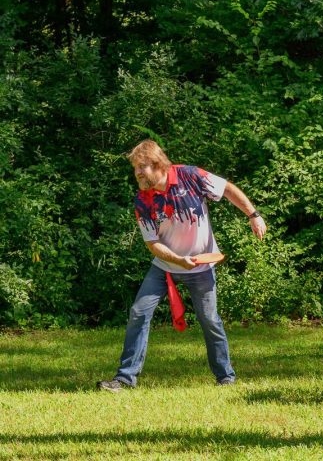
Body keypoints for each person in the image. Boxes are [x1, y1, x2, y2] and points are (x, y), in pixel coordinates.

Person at [97, 139, 267, 392]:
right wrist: (177, 261)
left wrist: (253, 215)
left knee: (209, 320)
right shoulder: (143, 200)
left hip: (201, 265)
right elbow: (153, 243)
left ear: (157, 164)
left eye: (141, 167)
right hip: (164, 265)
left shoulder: (190, 176)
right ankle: (124, 379)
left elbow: (228, 189)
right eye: (135, 168)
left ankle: (226, 377)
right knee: (139, 313)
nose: (137, 173)